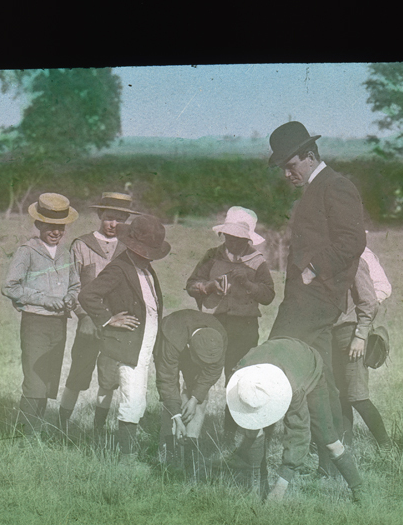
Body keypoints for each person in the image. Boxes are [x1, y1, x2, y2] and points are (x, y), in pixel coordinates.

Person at [266, 121, 367, 460]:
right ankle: (333, 457)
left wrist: (313, 270)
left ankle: (256, 449)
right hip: (310, 297)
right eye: (283, 168)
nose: (286, 174)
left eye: (290, 166)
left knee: (273, 360)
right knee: (320, 377)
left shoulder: (335, 186)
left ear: (309, 156)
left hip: (315, 297)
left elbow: (353, 240)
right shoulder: (316, 188)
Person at [226, 337, 363, 503]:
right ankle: (259, 487)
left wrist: (279, 489)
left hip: (307, 364)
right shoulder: (242, 377)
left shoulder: (293, 388)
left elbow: (298, 435)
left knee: (327, 438)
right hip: (279, 356)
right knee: (253, 429)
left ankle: (360, 491)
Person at [79, 214, 170, 460]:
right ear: (133, 247)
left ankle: (124, 447)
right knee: (133, 397)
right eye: (145, 251)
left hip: (144, 344)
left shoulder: (146, 269)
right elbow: (88, 295)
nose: (148, 256)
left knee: (137, 395)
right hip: (128, 344)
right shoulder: (120, 268)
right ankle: (127, 457)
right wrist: (109, 319)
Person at [185, 206, 275, 438]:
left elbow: (268, 295)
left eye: (238, 238)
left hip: (243, 327)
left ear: (247, 239)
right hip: (213, 322)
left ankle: (231, 433)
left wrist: (247, 284)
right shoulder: (212, 256)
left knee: (237, 379)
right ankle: (191, 433)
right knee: (202, 372)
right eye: (229, 236)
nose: (232, 242)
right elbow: (191, 284)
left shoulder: (257, 262)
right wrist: (209, 286)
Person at [58, 192, 140, 437]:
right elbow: (71, 286)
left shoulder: (130, 249)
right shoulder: (81, 245)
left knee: (109, 377)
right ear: (99, 216)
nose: (113, 224)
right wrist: (84, 315)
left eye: (119, 219)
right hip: (89, 322)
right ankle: (61, 425)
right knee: (78, 374)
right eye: (108, 218)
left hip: (118, 323)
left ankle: (98, 429)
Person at [2, 193, 80, 436]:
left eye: (60, 227)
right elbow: (10, 286)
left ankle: (36, 435)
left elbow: (75, 285)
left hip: (59, 325)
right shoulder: (27, 251)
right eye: (50, 226)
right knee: (34, 381)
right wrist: (46, 300)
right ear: (38, 224)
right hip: (35, 322)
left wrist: (70, 298)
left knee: (48, 381)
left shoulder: (67, 254)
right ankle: (21, 437)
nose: (56, 232)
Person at [153, 309, 227, 480]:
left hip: (196, 346)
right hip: (172, 339)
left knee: (199, 397)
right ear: (189, 349)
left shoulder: (218, 337)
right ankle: (168, 449)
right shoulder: (171, 338)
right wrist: (177, 416)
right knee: (171, 398)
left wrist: (195, 398)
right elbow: (167, 381)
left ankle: (190, 451)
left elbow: (212, 372)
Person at [331, 248, 392, 450]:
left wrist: (360, 335)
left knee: (357, 395)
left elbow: (369, 302)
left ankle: (386, 445)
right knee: (340, 395)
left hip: (350, 333)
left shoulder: (355, 262)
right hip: (331, 334)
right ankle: (345, 445)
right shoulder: (328, 259)